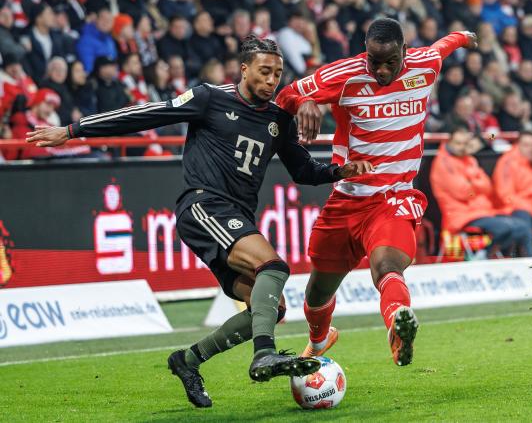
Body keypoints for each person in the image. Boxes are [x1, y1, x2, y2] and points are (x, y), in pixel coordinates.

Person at [26, 36, 372, 408]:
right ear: (243, 69)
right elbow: (146, 114)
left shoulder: (278, 119)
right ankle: (264, 355)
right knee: (272, 266)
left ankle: (187, 361)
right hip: (203, 206)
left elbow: (302, 170)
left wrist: (340, 171)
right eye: (264, 71)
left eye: (278, 74)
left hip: (234, 216)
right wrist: (74, 130)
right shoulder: (209, 98)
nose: (272, 81)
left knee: (270, 307)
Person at [275, 18, 477, 367]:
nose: (381, 70)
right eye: (374, 61)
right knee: (318, 291)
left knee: (386, 265)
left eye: (390, 62)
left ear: (404, 51)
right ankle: (319, 339)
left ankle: (398, 326)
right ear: (364, 52)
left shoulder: (424, 64)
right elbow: (286, 94)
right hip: (348, 199)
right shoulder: (344, 74)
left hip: (394, 196)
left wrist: (464, 36)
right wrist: (303, 103)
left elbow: (444, 45)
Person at [432, 128, 532, 256]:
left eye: (465, 144)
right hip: (461, 216)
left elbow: (487, 186)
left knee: (522, 228)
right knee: (504, 228)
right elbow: (462, 192)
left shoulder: (470, 160)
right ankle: (484, 255)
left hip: (483, 212)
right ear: (449, 142)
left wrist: (471, 183)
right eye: (458, 143)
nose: (462, 147)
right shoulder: (443, 163)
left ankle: (529, 266)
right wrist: (475, 181)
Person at [493, 130, 532, 251]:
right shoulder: (506, 162)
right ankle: (529, 261)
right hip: (513, 209)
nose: (531, 149)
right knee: (523, 217)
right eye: (526, 145)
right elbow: (506, 195)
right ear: (518, 145)